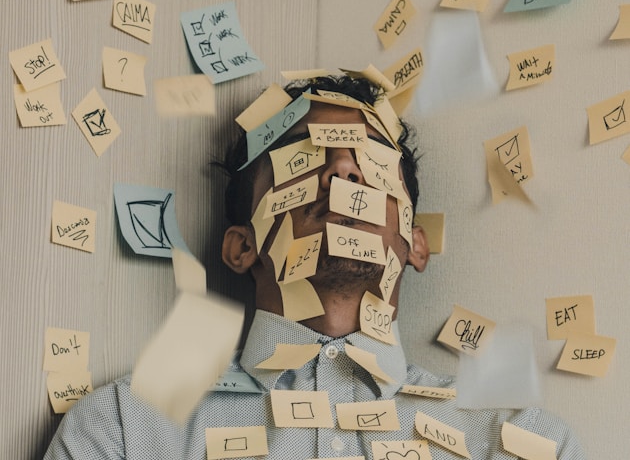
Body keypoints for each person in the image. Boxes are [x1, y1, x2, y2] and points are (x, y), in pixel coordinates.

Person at [44, 75, 585, 459]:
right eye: (303, 154)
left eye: (371, 158)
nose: (342, 168)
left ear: (415, 245)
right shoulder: (125, 432)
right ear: (241, 247)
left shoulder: (522, 444)